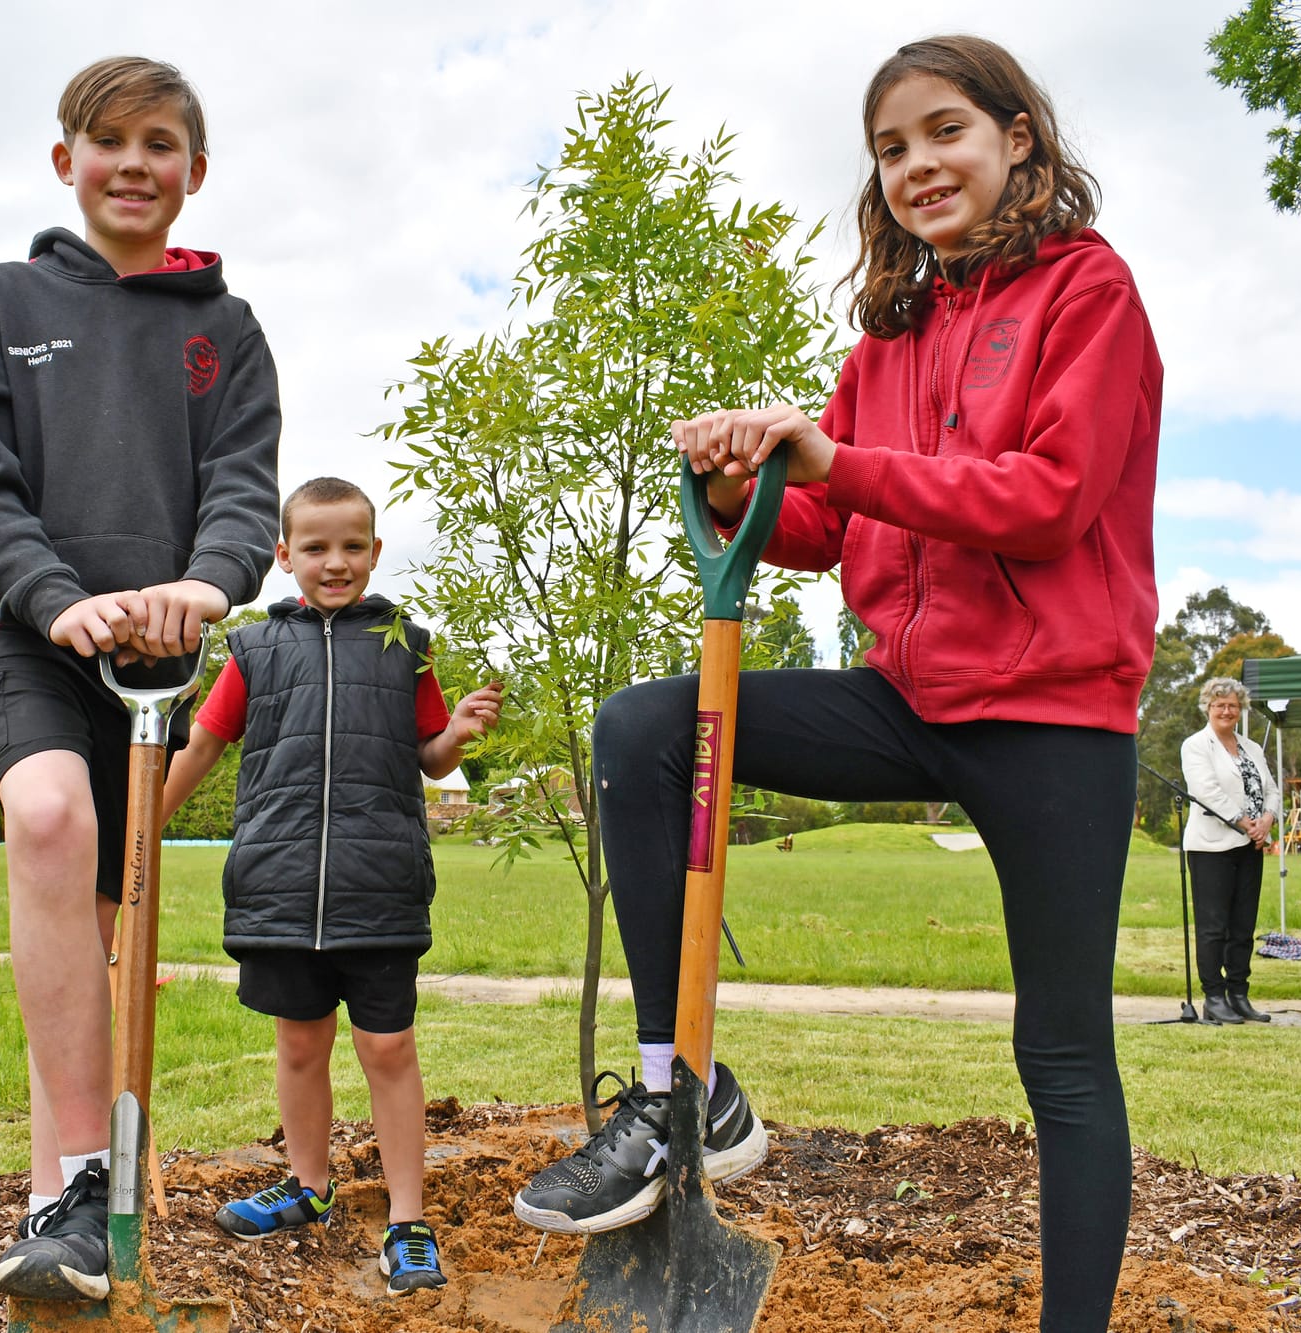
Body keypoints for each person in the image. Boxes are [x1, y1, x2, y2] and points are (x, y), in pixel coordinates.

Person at [512, 35, 1161, 1333]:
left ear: (1017, 138)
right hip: (904, 699)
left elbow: (1047, 499)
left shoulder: (1087, 292)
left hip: (1050, 716)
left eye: (943, 131)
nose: (918, 165)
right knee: (644, 726)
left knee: (1062, 1053)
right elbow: (825, 527)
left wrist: (832, 460)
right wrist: (737, 486)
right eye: (890, 148)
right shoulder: (891, 340)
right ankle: (680, 1088)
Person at [0, 56, 282, 1302]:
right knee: (46, 817)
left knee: (89, 928)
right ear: (65, 160)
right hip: (17, 626)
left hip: (150, 653)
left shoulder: (225, 331)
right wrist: (51, 597)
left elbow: (241, 487)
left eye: (160, 143)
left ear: (194, 171)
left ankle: (57, 1215)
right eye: (109, 140)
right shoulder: (1, 302)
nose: (134, 163)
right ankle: (88, 1177)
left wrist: (209, 584)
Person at [158, 477, 504, 1296]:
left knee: (387, 1048)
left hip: (378, 886)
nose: (335, 561)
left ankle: (407, 1221)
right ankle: (308, 1188)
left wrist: (457, 732)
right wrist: (143, 828)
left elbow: (431, 756)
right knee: (300, 1042)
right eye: (316, 547)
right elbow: (202, 746)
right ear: (285, 556)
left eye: (352, 546)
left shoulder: (404, 645)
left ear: (375, 552)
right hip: (278, 886)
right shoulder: (254, 650)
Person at [1178, 678, 1281, 1025]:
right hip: (1211, 847)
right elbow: (1206, 790)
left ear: (1241, 709)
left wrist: (1267, 820)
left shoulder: (1251, 747)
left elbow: (1271, 790)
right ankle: (1214, 996)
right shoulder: (1196, 746)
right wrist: (1244, 822)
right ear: (1208, 707)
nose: (1226, 710)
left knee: (1242, 925)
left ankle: (1239, 994)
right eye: (1219, 704)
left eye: (1233, 705)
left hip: (1251, 846)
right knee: (1213, 927)